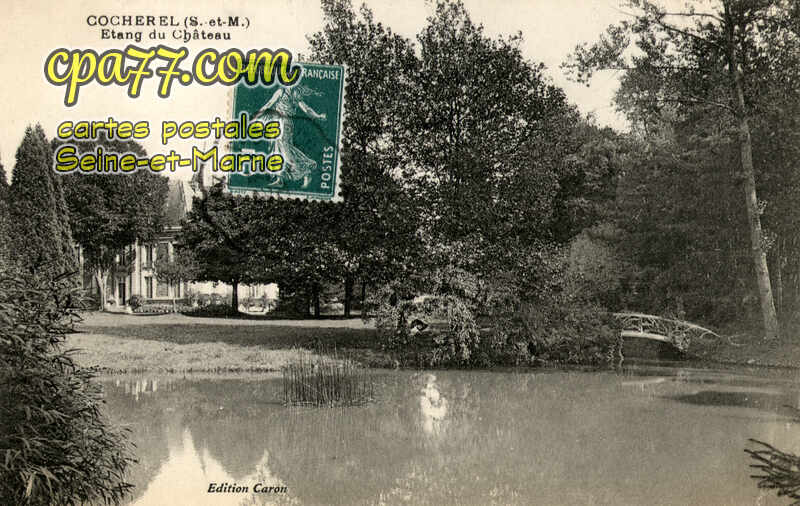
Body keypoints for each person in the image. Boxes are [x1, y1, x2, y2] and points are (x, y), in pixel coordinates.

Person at [252, 84, 327, 189]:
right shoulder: (294, 93)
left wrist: (256, 115)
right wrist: (317, 116)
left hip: (282, 122)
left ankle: (305, 171)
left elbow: (269, 104)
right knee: (277, 149)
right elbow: (307, 109)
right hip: (281, 122)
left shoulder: (283, 91)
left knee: (284, 149)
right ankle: (280, 178)